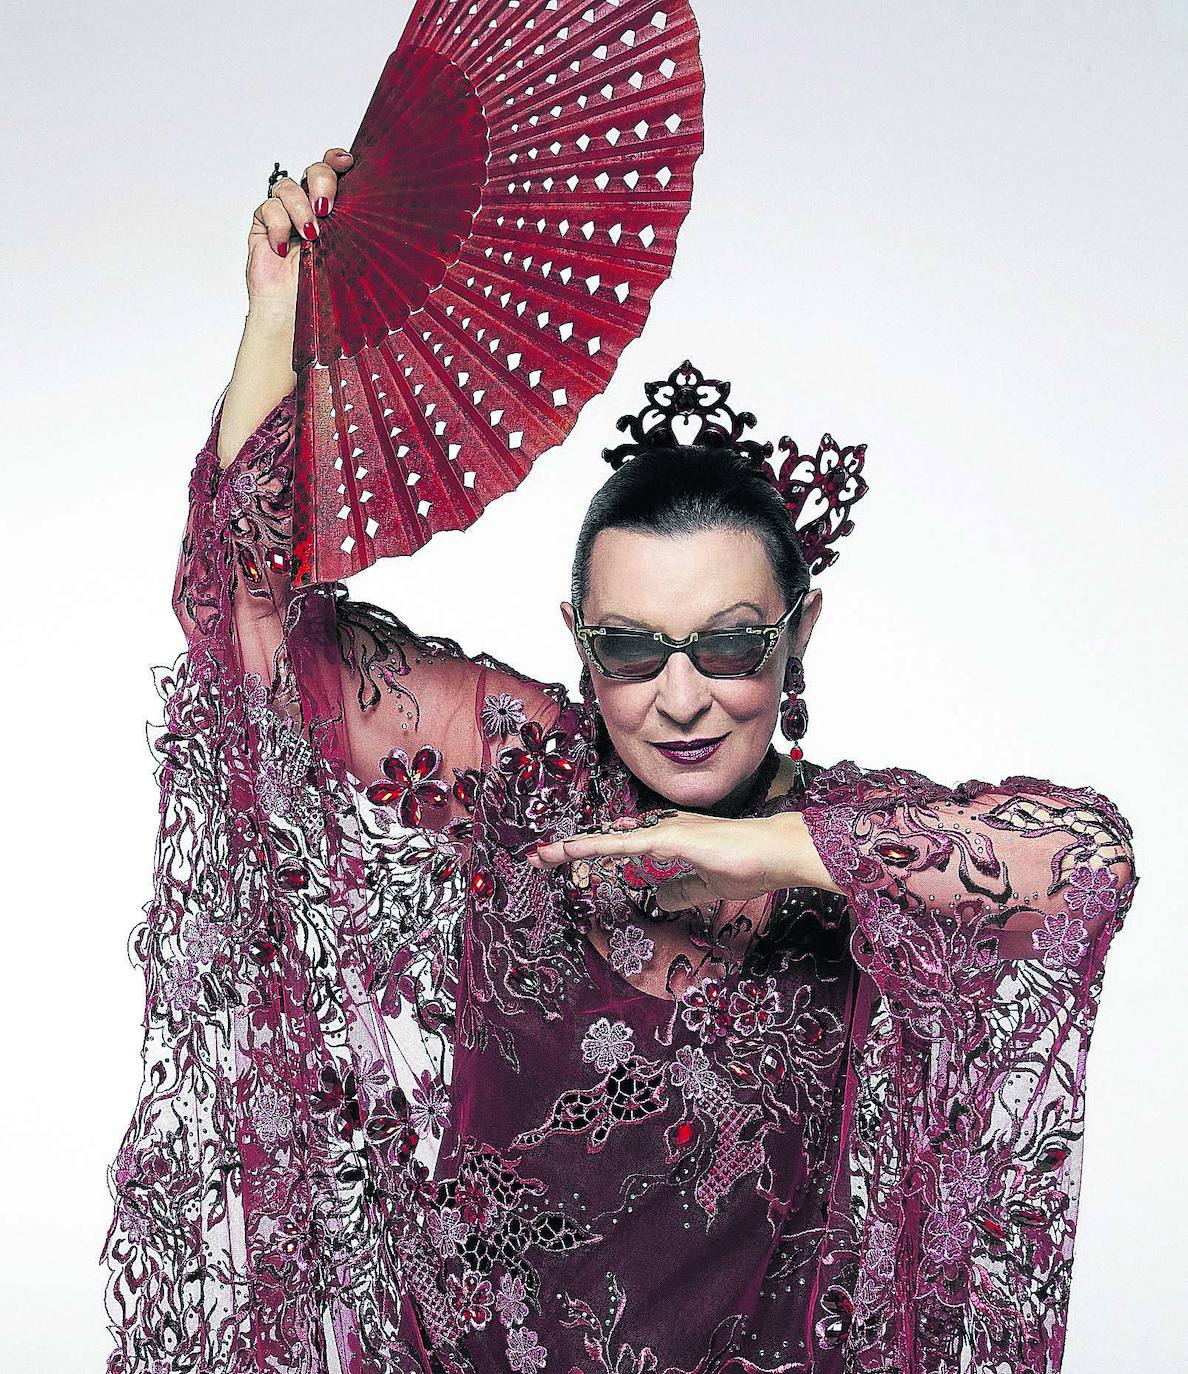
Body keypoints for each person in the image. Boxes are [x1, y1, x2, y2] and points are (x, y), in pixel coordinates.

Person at [101, 149, 1139, 1374]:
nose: (682, 698)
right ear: (578, 639)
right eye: (633, 649)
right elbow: (244, 626)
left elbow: (1092, 862)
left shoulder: (854, 852)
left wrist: (766, 853)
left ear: (799, 634)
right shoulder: (519, 773)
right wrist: (277, 310)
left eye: (731, 645)